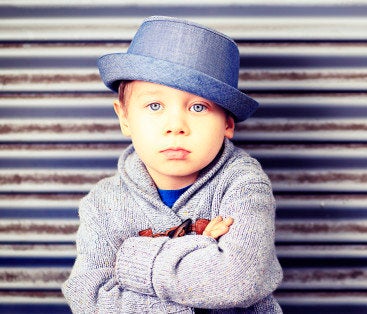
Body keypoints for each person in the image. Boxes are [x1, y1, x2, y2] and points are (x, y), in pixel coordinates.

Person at [62, 16, 283, 313]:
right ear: (124, 117)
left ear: (228, 123)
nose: (176, 126)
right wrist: (200, 250)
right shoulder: (103, 203)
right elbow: (90, 299)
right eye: (155, 106)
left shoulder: (244, 186)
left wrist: (133, 259)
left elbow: (237, 282)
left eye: (198, 107)